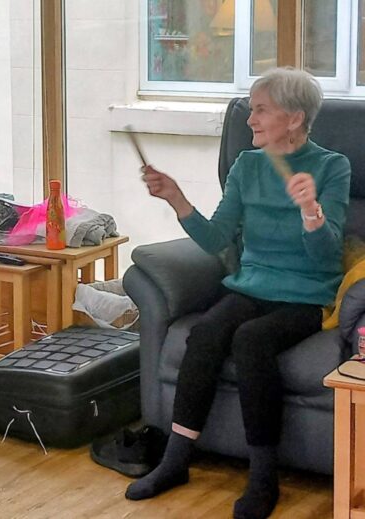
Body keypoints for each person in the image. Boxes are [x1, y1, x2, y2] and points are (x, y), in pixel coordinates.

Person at [129, 67, 350, 519]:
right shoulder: (246, 166)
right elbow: (215, 240)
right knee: (207, 332)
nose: (249, 119)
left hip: (306, 296)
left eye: (260, 109)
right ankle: (176, 460)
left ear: (293, 118)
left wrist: (311, 210)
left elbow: (327, 257)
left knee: (252, 340)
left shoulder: (332, 167)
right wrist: (176, 198)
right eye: (251, 109)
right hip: (252, 285)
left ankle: (263, 476)